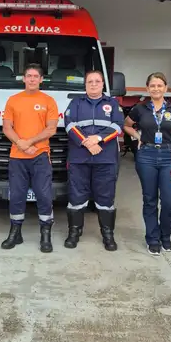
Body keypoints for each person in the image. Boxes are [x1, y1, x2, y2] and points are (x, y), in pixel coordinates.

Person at [124, 72, 171, 256]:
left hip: (169, 156)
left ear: (165, 88)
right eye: (152, 85)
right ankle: (152, 238)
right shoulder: (140, 108)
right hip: (146, 156)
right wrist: (138, 136)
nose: (156, 88)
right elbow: (126, 125)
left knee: (169, 201)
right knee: (150, 199)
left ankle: (165, 235)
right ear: (147, 88)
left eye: (160, 85)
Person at [64, 70, 124, 251]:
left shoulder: (112, 103)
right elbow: (69, 125)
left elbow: (118, 126)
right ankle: (74, 233)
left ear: (103, 84)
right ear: (85, 85)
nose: (94, 84)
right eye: (90, 81)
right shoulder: (76, 103)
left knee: (106, 197)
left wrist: (98, 139)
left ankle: (108, 235)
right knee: (76, 196)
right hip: (79, 158)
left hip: (105, 158)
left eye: (97, 81)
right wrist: (86, 142)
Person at [1, 64, 58, 253]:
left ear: (41, 79)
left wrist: (30, 142)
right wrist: (21, 143)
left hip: (40, 155)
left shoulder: (49, 101)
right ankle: (15, 233)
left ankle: (45, 235)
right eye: (29, 76)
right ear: (23, 78)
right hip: (17, 157)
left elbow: (51, 129)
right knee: (17, 195)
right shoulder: (13, 100)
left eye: (35, 76)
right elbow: (7, 128)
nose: (32, 79)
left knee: (44, 195)